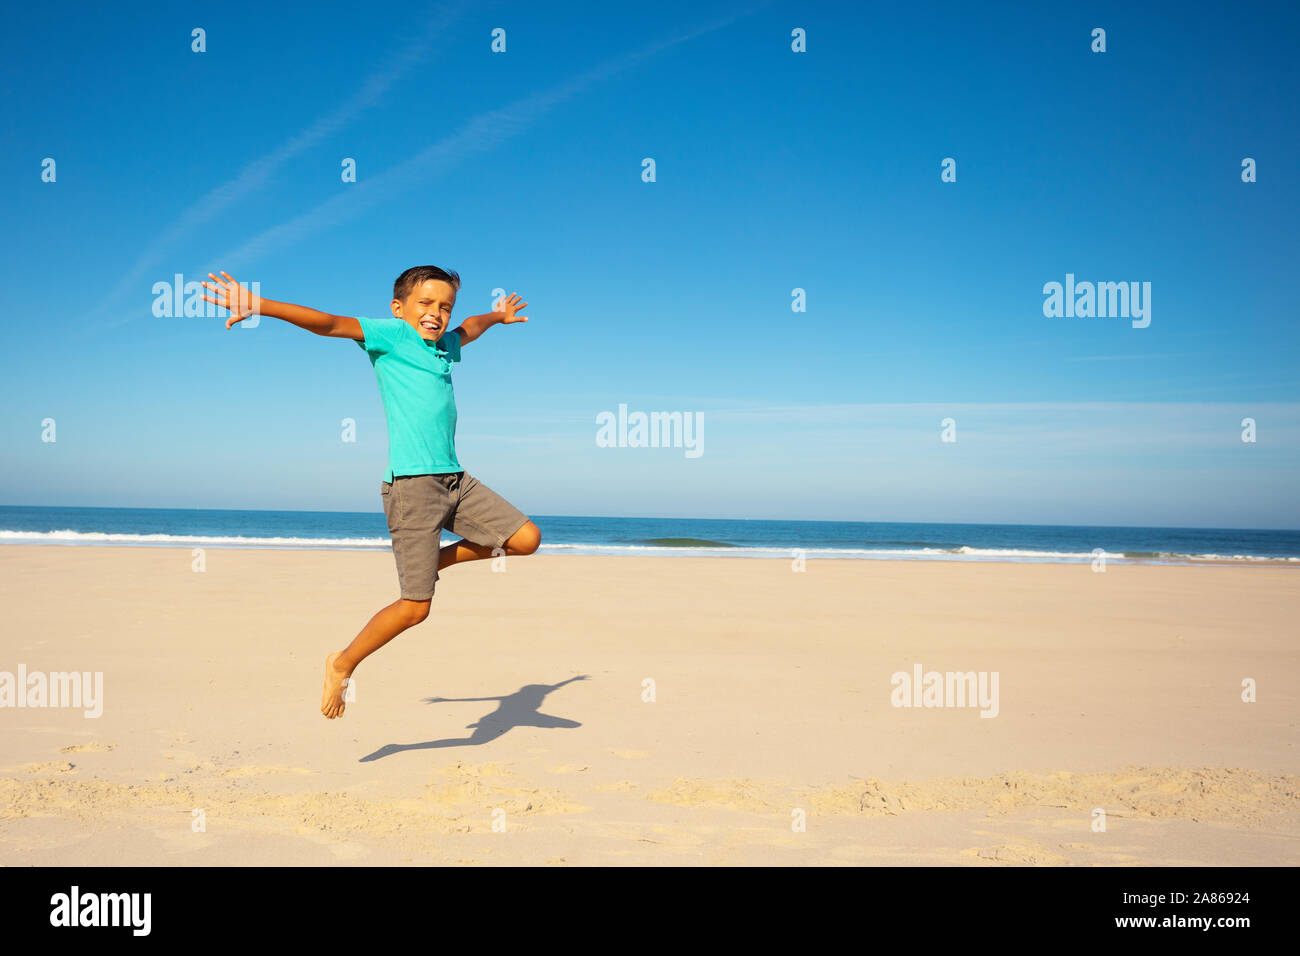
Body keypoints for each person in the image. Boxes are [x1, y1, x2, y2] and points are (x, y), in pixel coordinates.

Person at [201, 266, 541, 719]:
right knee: (416, 609)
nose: (436, 314)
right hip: (412, 488)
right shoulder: (391, 337)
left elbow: (469, 329)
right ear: (399, 308)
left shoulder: (445, 348)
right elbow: (328, 323)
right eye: (425, 304)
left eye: (444, 306)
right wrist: (260, 305)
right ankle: (342, 663)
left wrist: (497, 317)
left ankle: (431, 563)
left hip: (456, 479)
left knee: (526, 539)